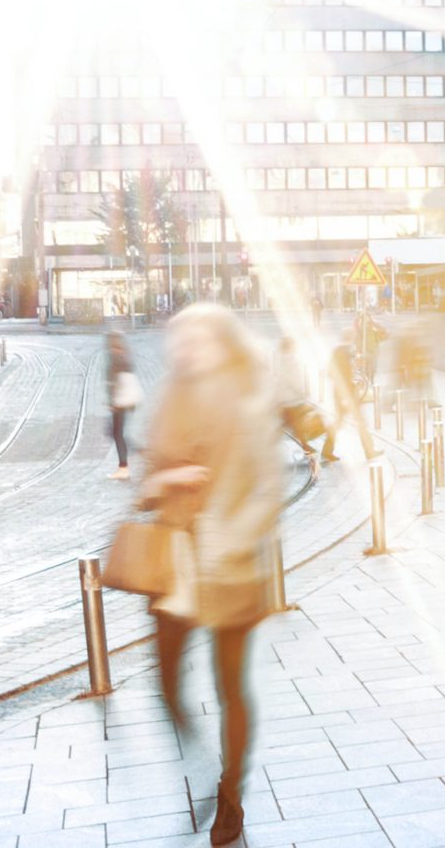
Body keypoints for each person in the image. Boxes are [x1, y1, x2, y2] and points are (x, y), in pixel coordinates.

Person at [140, 304, 284, 846]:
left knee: (231, 689)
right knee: (166, 689)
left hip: (233, 568)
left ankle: (230, 798)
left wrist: (231, 541)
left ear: (224, 343)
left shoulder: (251, 399)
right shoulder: (171, 397)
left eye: (198, 338)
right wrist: (170, 476)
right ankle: (206, 769)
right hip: (174, 565)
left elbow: (268, 492)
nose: (185, 348)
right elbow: (147, 481)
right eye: (180, 338)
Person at [318, 344, 365, 464]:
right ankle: (369, 451)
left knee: (343, 421)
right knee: (355, 421)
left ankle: (327, 450)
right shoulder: (344, 361)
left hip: (342, 395)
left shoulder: (338, 360)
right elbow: (347, 379)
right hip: (344, 396)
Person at [106, 332, 142, 480]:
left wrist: (113, 401)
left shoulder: (115, 357)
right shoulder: (124, 355)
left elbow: (116, 381)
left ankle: (124, 466)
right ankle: (132, 455)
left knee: (116, 433)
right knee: (115, 432)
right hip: (122, 401)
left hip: (118, 402)